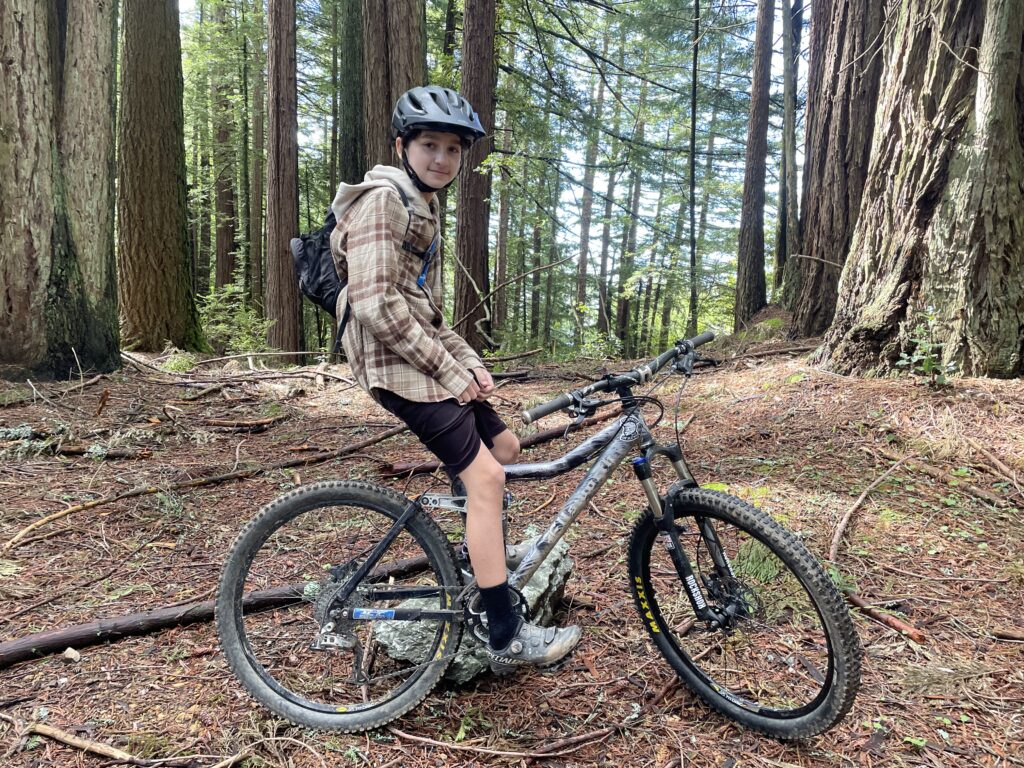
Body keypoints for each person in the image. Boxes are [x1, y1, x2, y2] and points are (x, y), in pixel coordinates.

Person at [330, 85, 580, 673]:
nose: (441, 158)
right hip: (394, 365)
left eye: (451, 149)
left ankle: (479, 551)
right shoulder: (384, 202)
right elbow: (373, 303)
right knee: (489, 479)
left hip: (418, 354)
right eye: (428, 145)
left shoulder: (421, 204)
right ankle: (505, 633)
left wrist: (466, 359)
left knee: (504, 445)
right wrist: (446, 368)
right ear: (403, 146)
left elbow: (423, 308)